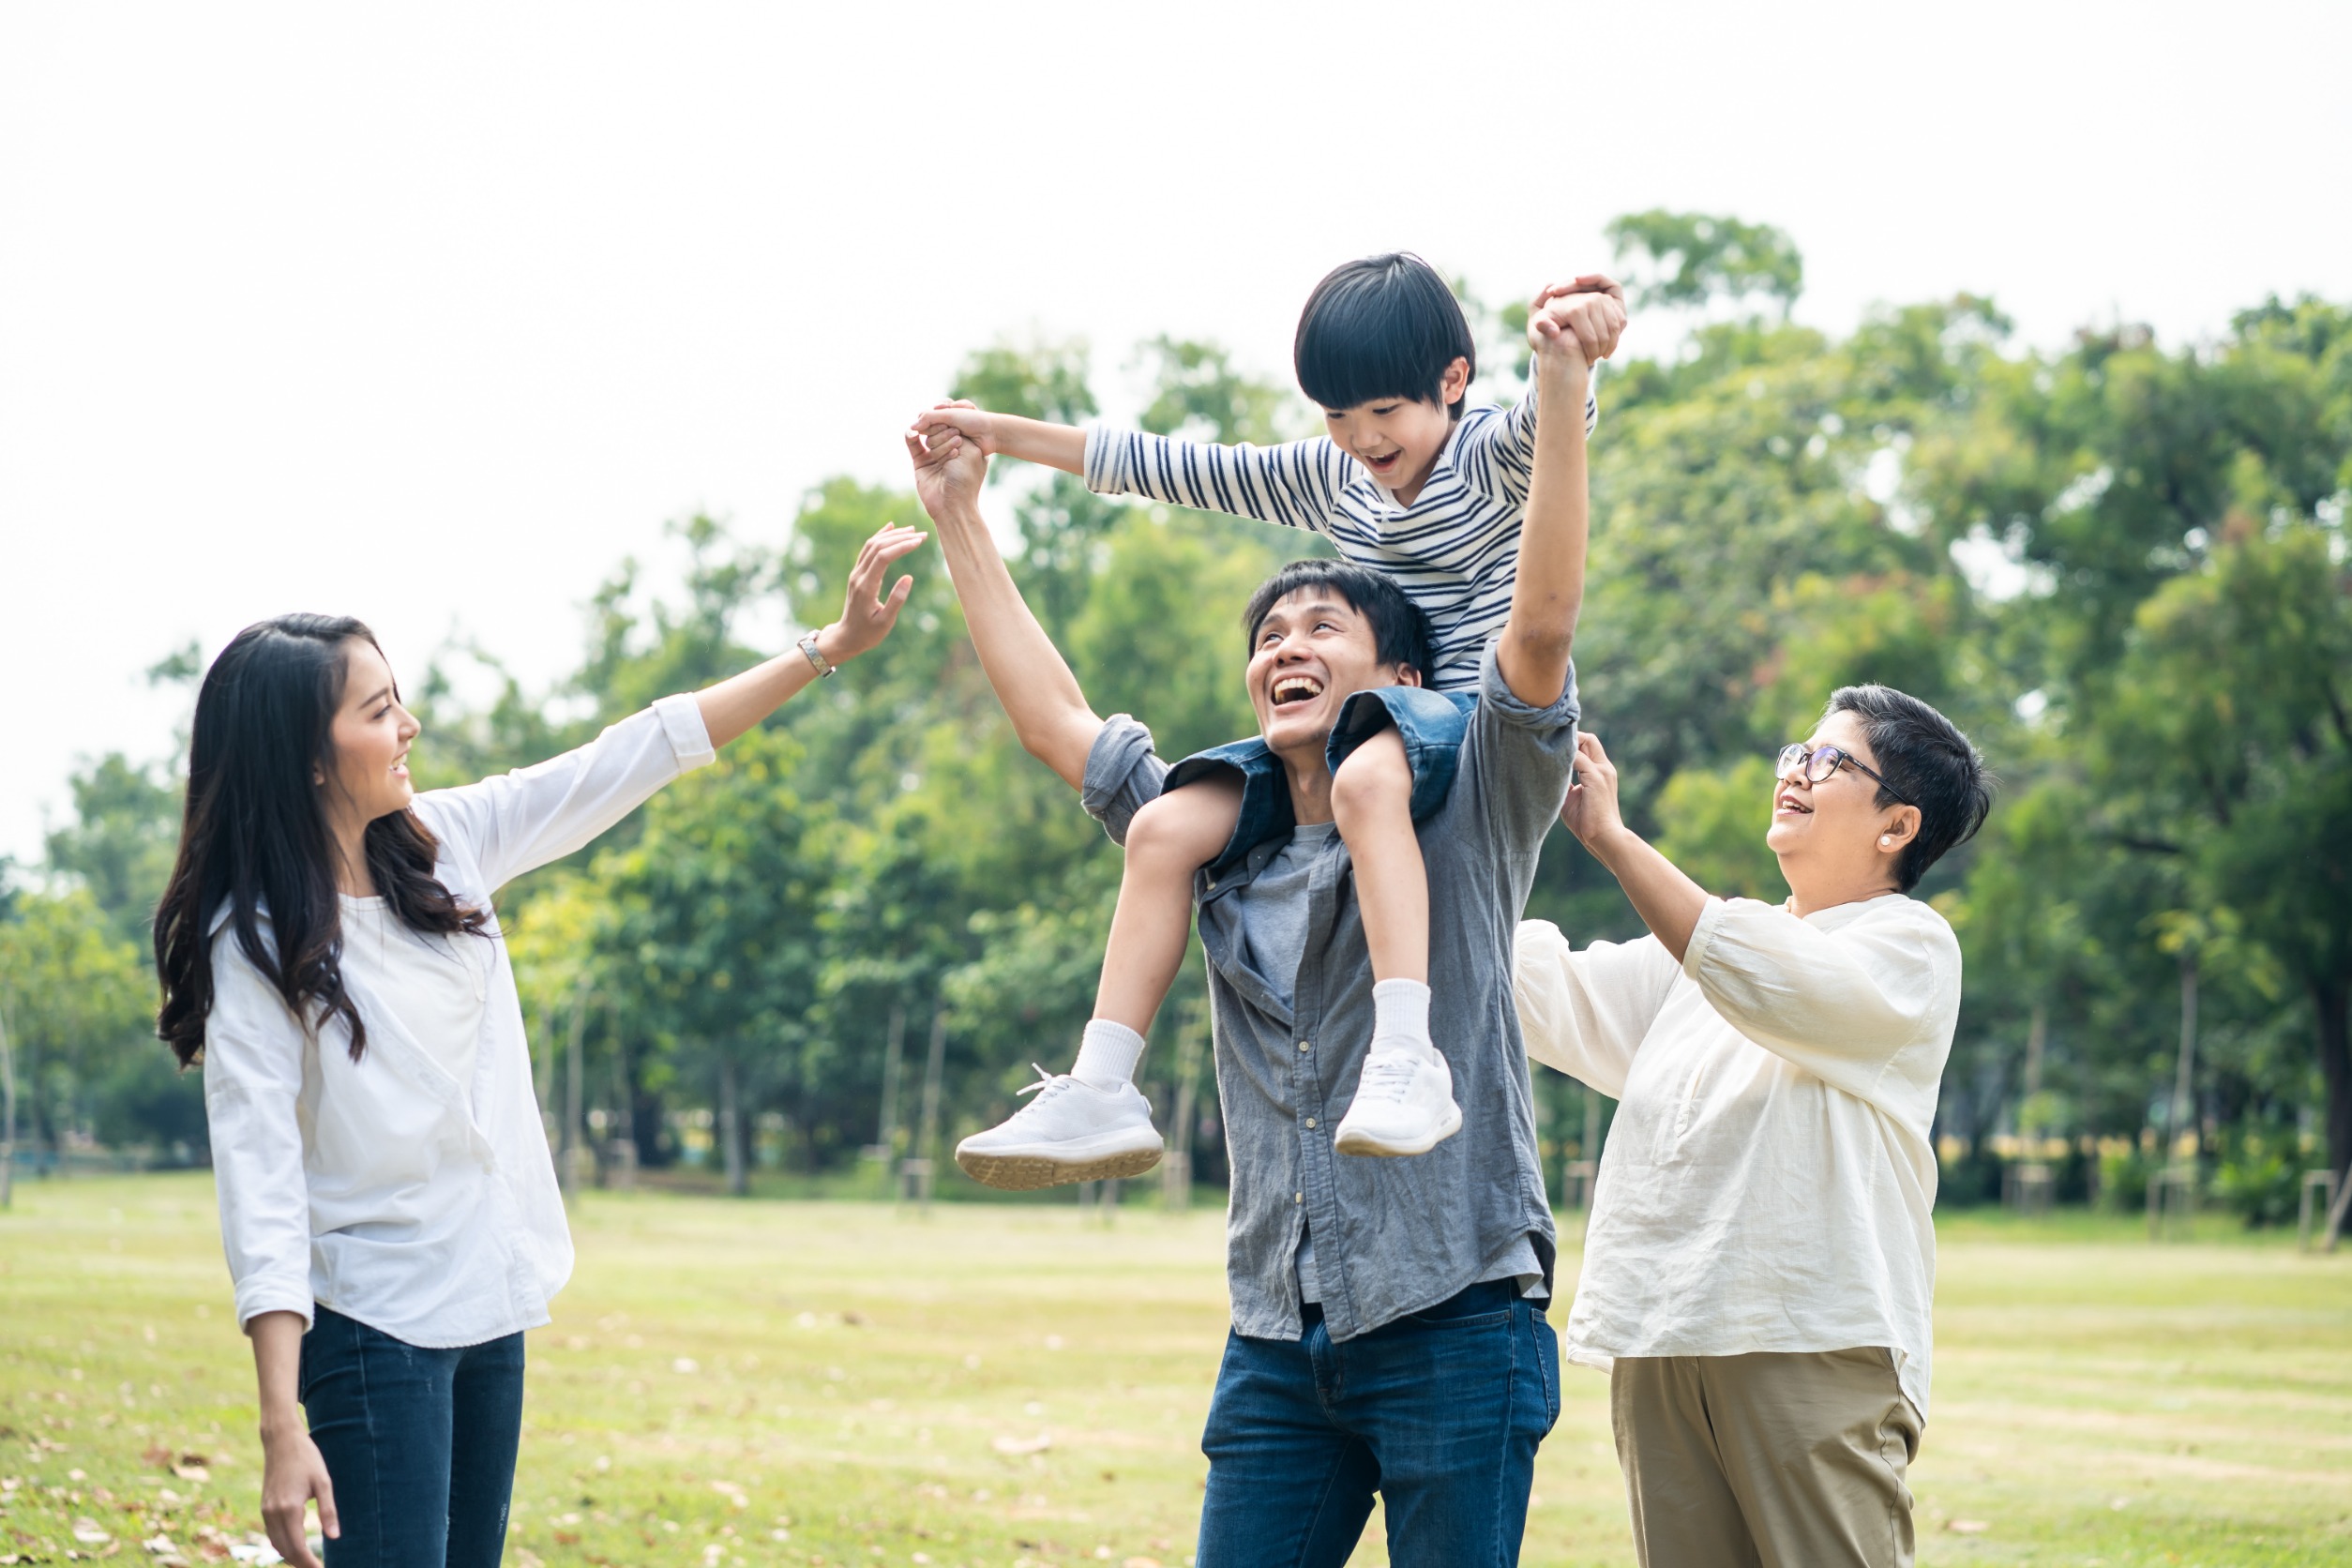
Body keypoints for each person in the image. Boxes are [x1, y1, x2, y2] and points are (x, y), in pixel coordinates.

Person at [906, 292, 1606, 1566]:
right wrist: (961, 510)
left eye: (1323, 626)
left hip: (1453, 1317)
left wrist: (1566, 389)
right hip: (1282, 1335)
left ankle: (1413, 1057)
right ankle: (1097, 1090)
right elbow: (1057, 718)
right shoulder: (1215, 834)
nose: (1287, 641)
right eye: (1268, 633)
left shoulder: (1468, 798)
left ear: (1401, 678)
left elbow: (1543, 625)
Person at [150, 525, 927, 1568]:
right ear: (308, 754)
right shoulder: (253, 939)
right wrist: (281, 1424)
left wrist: (825, 647)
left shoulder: (447, 846)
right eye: (379, 712)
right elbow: (262, 1181)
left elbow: (633, 752)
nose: (409, 724)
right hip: (371, 1328)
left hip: (487, 1302)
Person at [912, 255, 1622, 1184]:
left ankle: (1407, 1052)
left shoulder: (1491, 454)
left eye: (1384, 414)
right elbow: (1171, 466)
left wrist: (1569, 356)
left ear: (1452, 382)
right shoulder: (1337, 481)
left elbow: (1552, 426)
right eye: (1338, 417)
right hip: (1359, 734)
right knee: (1167, 823)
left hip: (1466, 721)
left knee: (1367, 772)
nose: (1364, 440)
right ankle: (1103, 1084)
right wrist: (994, 436)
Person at [1513, 691, 1992, 1568]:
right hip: (1666, 1334)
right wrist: (1456, 827)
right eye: (1796, 751)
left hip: (1809, 1336)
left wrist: (1614, 840)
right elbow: (1546, 995)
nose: (1795, 772)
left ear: (1897, 827)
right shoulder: (1712, 954)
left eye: (1831, 762)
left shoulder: (1910, 947)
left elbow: (1762, 974)